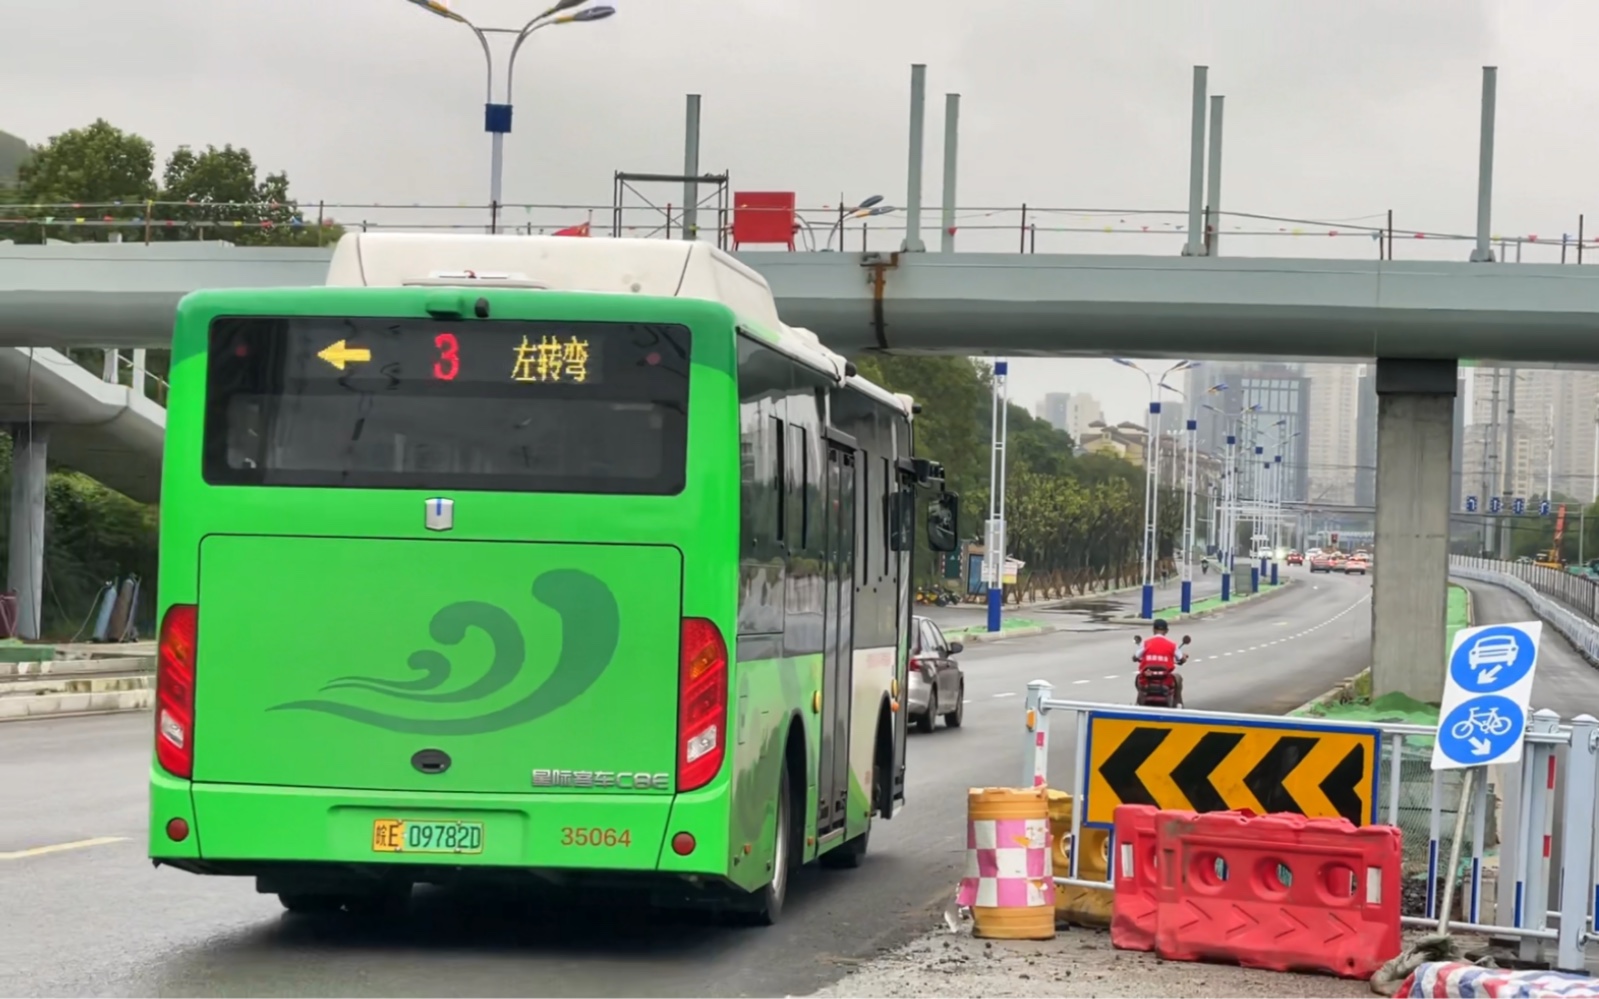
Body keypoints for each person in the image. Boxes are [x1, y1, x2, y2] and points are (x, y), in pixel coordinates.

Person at [1134, 618, 1185, 705]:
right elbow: (1181, 659)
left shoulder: (1146, 643)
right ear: (1167, 631)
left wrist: (1135, 658)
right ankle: (1178, 704)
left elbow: (1136, 656)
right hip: (1166, 680)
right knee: (1178, 678)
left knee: (1138, 678)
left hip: (1147, 680)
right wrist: (1184, 658)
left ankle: (1139, 702)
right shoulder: (1172, 645)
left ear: (1153, 629)